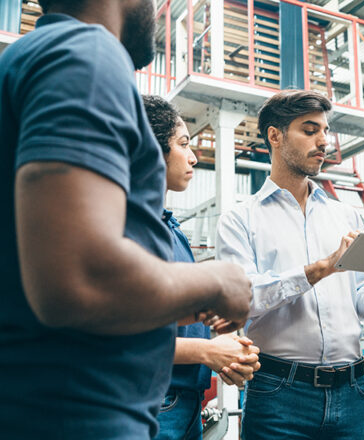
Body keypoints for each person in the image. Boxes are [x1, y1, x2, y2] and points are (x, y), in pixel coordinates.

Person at [0, 1, 252, 438]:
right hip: (79, 413)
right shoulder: (87, 54)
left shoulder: (27, 59)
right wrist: (217, 281)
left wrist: (188, 304)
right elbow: (78, 278)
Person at [216, 89, 364, 439]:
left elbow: (362, 306)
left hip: (351, 391)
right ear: (275, 136)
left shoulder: (345, 214)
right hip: (279, 394)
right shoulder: (239, 220)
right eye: (310, 131)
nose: (323, 141)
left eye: (325, 131)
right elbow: (242, 301)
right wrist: (319, 269)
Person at [143, 95, 261, 440]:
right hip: (155, 402)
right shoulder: (130, 230)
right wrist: (208, 351)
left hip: (184, 402)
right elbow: (124, 335)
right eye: (182, 144)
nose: (193, 157)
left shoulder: (170, 227)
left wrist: (217, 335)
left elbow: (162, 313)